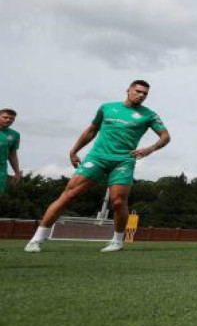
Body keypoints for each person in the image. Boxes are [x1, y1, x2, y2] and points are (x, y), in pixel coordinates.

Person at [25, 81, 170, 253]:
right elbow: (92, 130)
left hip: (124, 160)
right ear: (128, 90)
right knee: (68, 195)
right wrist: (74, 150)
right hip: (97, 158)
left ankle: (117, 242)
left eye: (145, 93)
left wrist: (150, 149)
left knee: (118, 201)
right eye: (138, 91)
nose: (141, 95)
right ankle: (37, 239)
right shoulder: (107, 108)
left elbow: (165, 136)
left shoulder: (149, 115)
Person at [0, 109, 22, 195]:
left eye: (11, 118)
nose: (8, 120)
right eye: (5, 117)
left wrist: (17, 172)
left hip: (1, 168)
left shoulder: (15, 135)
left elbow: (12, 154)